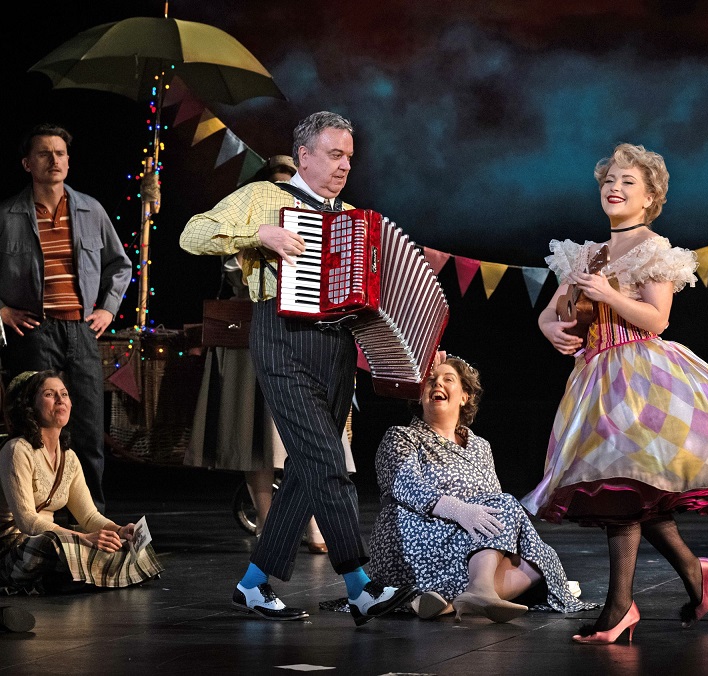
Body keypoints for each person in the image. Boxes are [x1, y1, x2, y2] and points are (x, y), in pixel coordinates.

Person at [521, 143, 708, 644]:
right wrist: (551, 329)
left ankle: (619, 608)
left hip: (642, 378)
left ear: (650, 196)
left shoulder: (655, 250)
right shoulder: (585, 254)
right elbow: (551, 313)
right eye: (609, 181)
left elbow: (657, 319)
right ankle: (691, 571)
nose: (614, 188)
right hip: (595, 380)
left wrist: (609, 294)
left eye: (627, 181)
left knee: (623, 488)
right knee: (631, 490)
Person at [180, 111, 415, 624]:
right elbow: (192, 234)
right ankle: (359, 584)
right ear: (304, 155)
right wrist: (258, 235)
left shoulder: (354, 218)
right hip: (281, 336)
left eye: (349, 157)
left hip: (337, 348)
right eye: (335, 155)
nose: (344, 166)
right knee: (328, 461)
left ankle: (253, 584)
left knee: (310, 467)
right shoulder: (264, 196)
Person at [368, 356, 597, 623]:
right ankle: (479, 590)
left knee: (542, 559)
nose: (437, 384)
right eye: (430, 381)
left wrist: (495, 526)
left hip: (465, 539)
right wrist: (459, 510)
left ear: (465, 396)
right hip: (413, 535)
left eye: (447, 379)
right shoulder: (401, 436)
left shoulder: (480, 446)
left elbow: (492, 506)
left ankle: (453, 602)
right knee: (506, 506)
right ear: (419, 395)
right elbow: (406, 485)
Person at [186, 152, 336, 554]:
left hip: (307, 339)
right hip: (255, 336)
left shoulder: (325, 215)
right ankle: (269, 522)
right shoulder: (249, 219)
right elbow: (213, 253)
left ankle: (312, 521)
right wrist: (259, 235)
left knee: (308, 438)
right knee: (257, 435)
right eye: (278, 182)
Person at [0, 123, 131, 513]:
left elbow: (120, 264)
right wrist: (2, 311)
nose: (53, 160)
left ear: (69, 161)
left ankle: (92, 521)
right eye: (44, 153)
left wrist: (107, 307)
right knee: (39, 429)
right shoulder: (7, 215)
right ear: (27, 163)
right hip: (34, 332)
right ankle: (40, 518)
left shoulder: (91, 210)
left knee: (88, 429)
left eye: (59, 153)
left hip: (80, 331)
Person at [0, 370, 162, 593]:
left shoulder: (69, 458)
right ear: (29, 406)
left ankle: (69, 576)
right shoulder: (17, 450)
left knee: (126, 546)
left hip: (59, 543)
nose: (60, 400)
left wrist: (119, 531)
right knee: (51, 545)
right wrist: (84, 539)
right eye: (49, 394)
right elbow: (27, 522)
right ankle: (79, 575)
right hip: (15, 549)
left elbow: (88, 516)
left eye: (64, 394)